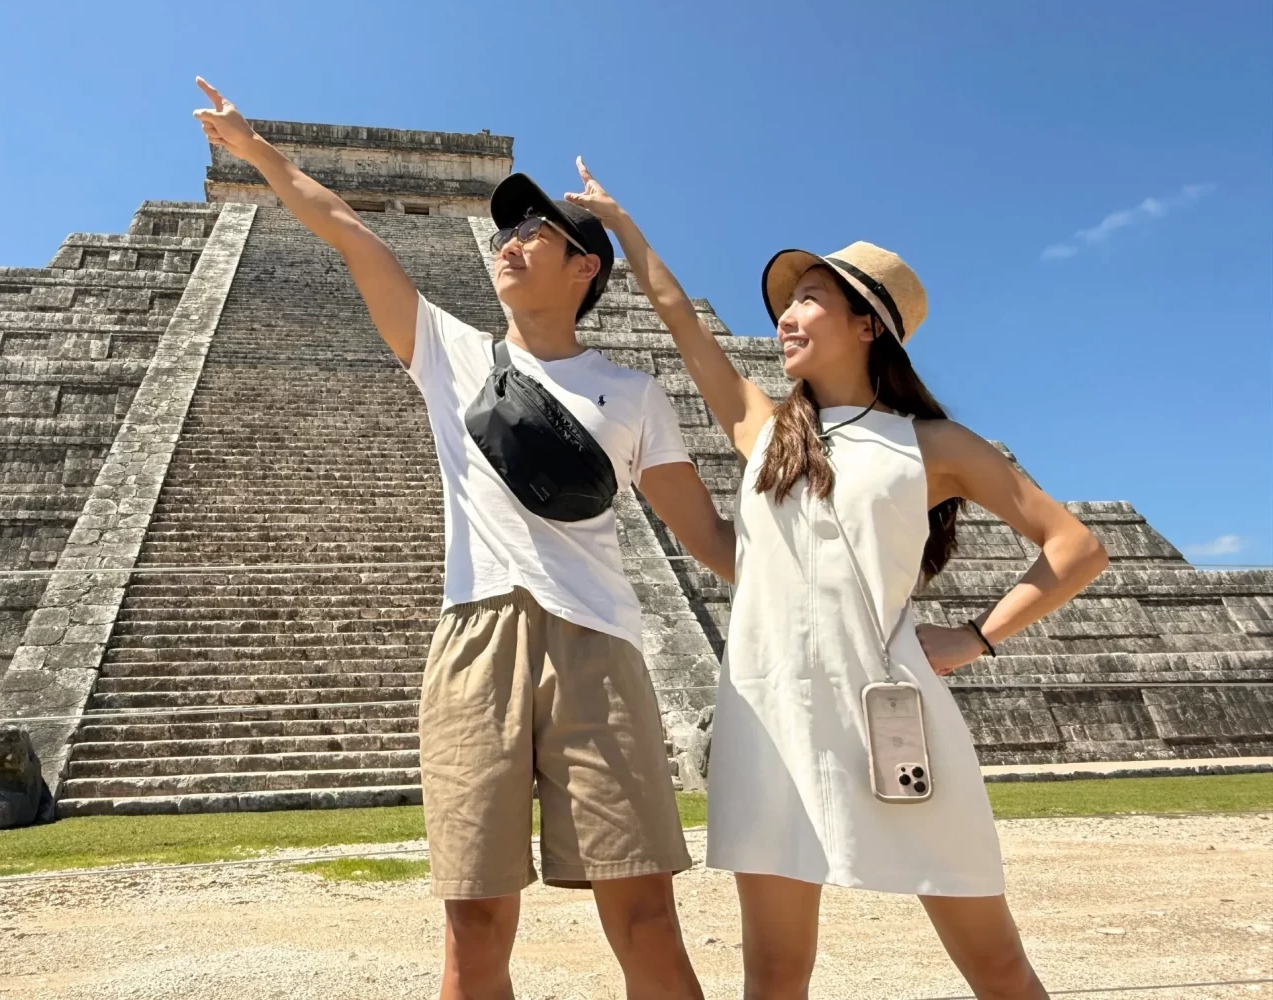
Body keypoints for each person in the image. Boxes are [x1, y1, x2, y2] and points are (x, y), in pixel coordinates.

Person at [193, 81, 734, 999]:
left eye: (535, 234)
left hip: (598, 644)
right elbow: (352, 234)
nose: (509, 244)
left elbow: (711, 542)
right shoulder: (453, 354)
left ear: (584, 270)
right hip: (475, 639)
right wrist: (256, 154)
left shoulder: (633, 395)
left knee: (644, 918)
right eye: (504, 233)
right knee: (472, 929)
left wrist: (832, 573)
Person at [567, 160, 1109, 1000]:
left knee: (996, 965)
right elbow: (679, 321)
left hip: (894, 716)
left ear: (868, 326)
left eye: (809, 298)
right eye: (787, 301)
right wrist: (624, 225)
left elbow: (1076, 547)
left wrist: (972, 638)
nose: (785, 317)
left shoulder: (935, 445)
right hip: (770, 713)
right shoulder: (765, 428)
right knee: (776, 973)